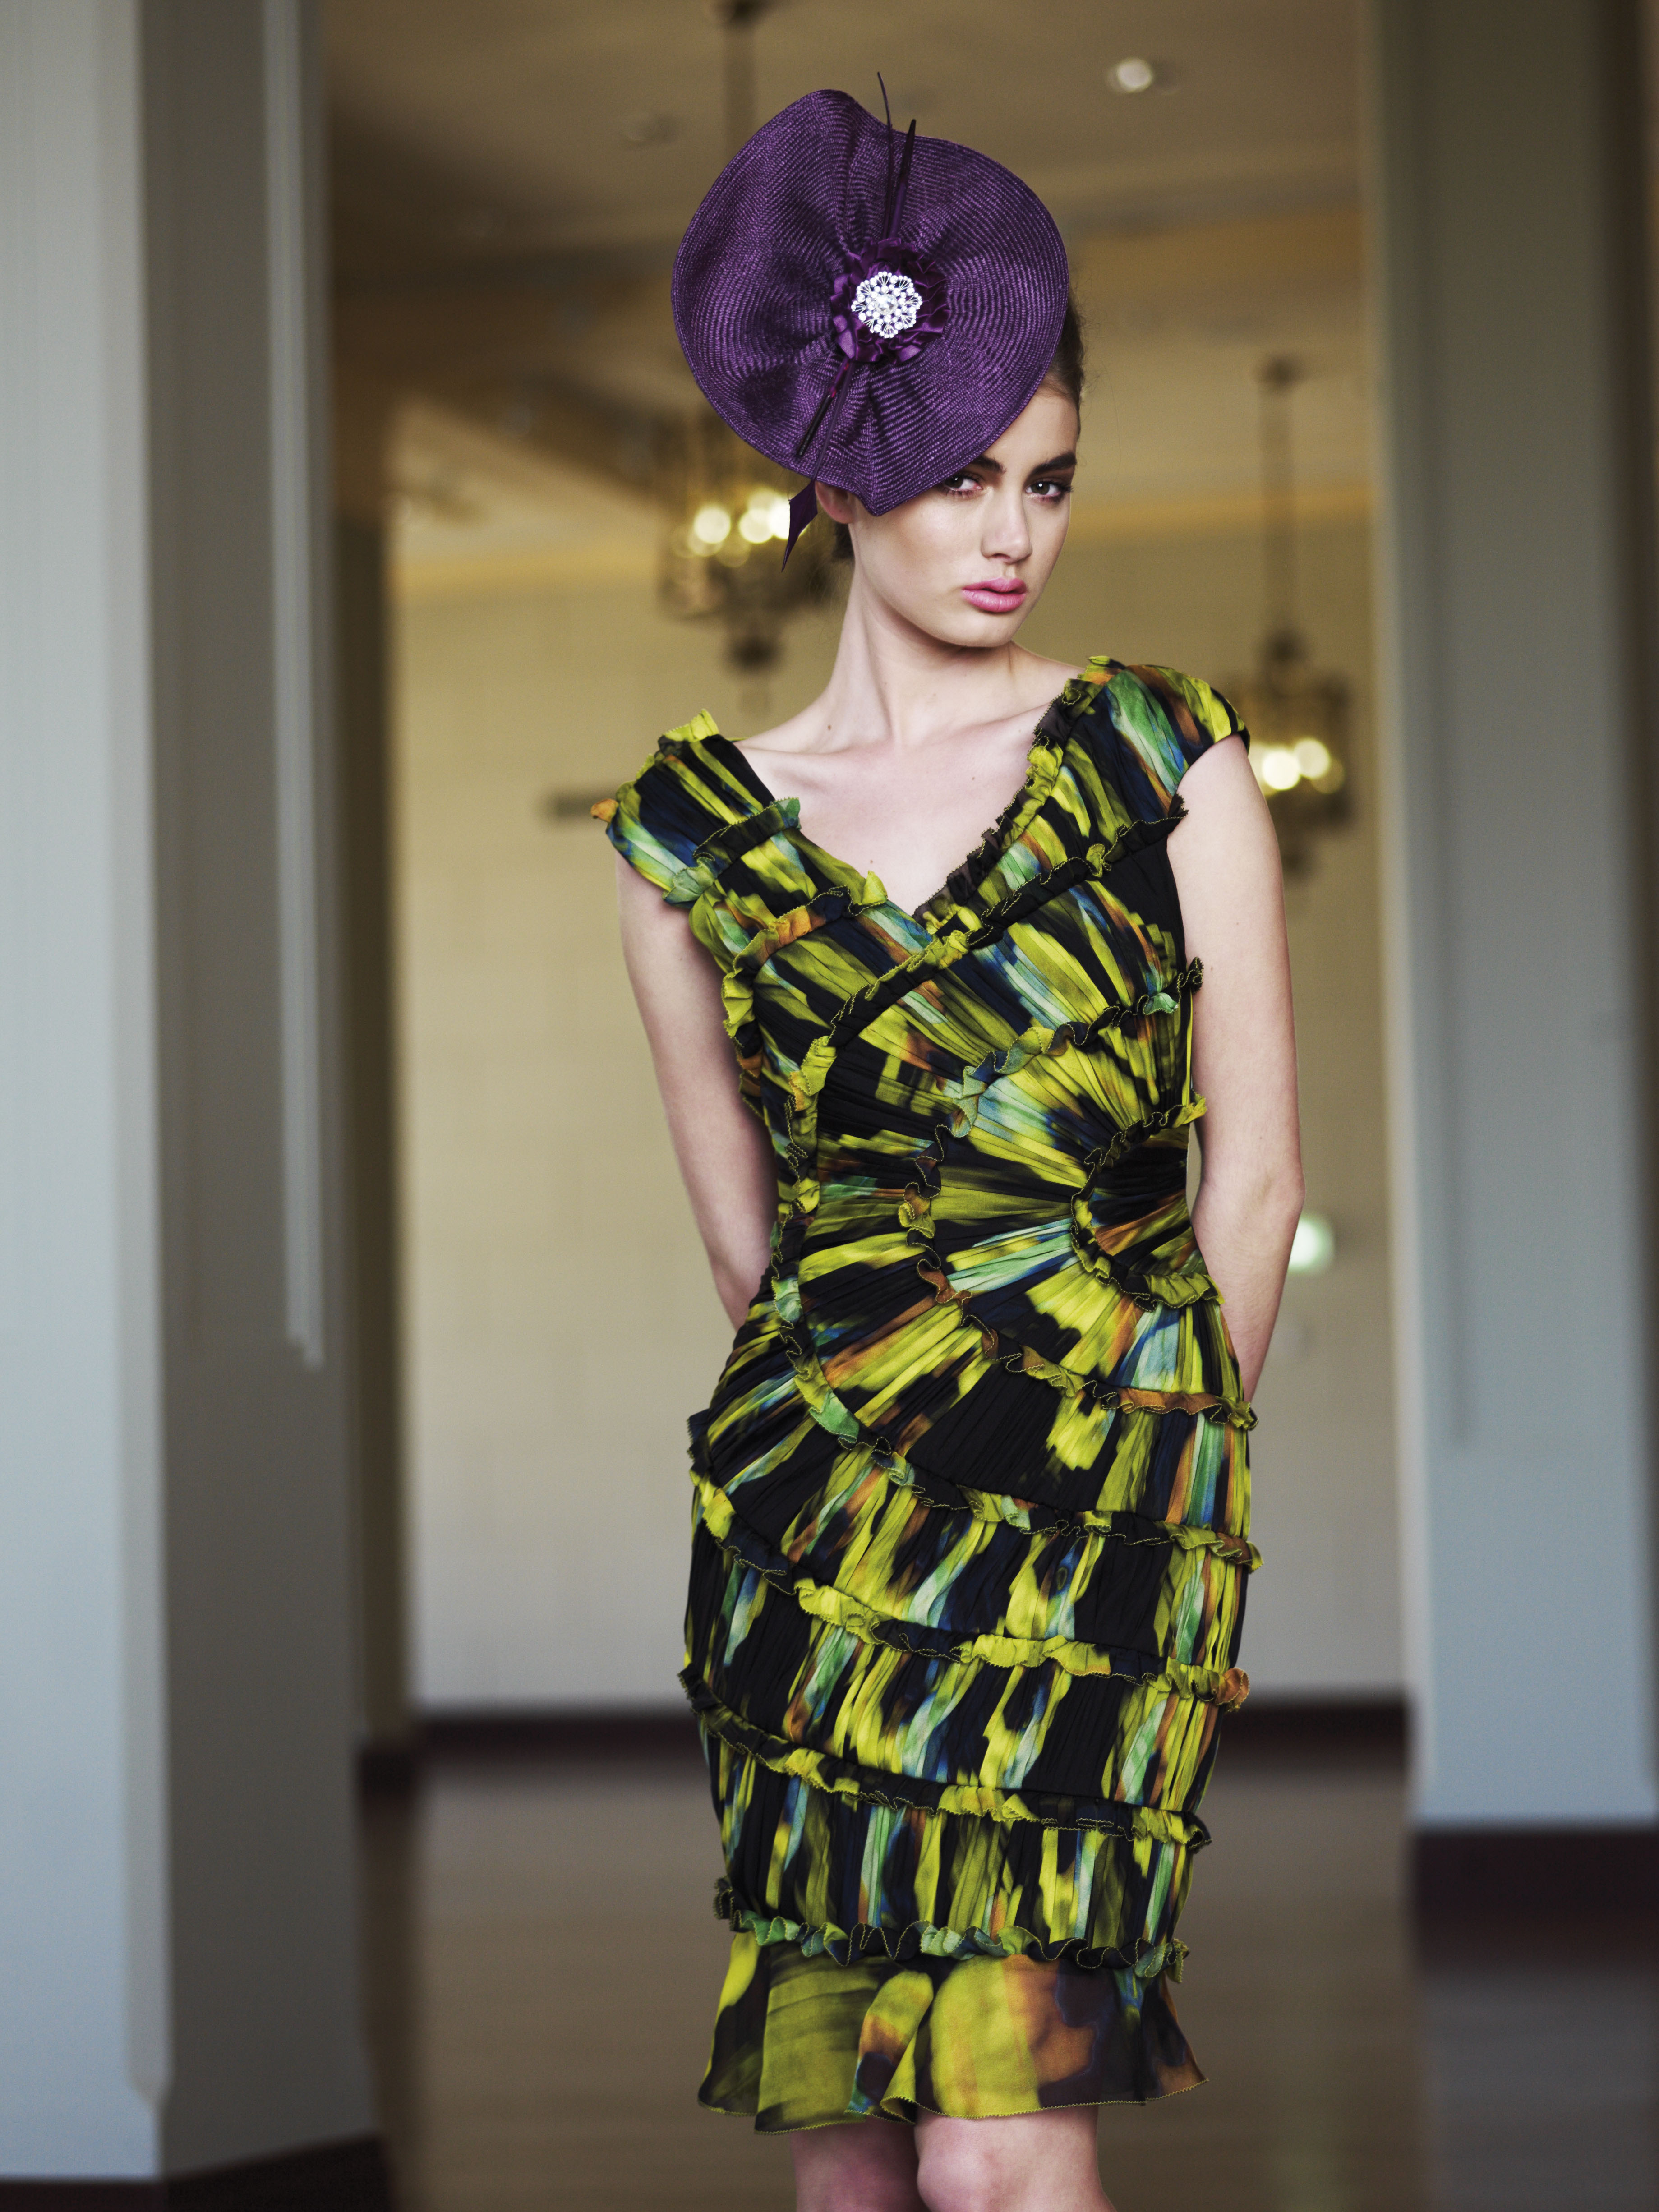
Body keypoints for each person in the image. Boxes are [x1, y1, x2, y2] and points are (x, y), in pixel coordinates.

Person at [597, 88, 1302, 2212]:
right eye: (961, 476)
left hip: (1098, 1536)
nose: (1013, 532)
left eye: (1046, 478)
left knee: (1001, 2130)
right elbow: (751, 1265)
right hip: (812, 1538)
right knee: (847, 2152)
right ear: (835, 480)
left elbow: (1252, 1184)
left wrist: (1161, 1516)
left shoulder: (1165, 763)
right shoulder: (684, 841)